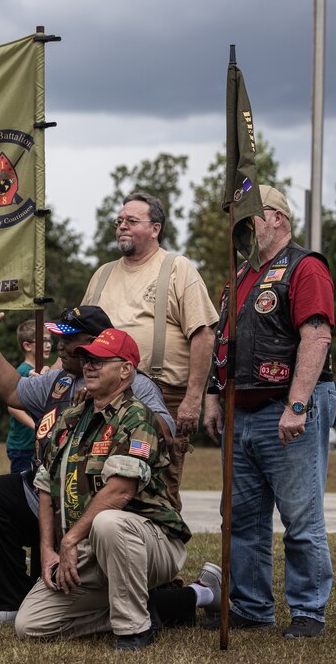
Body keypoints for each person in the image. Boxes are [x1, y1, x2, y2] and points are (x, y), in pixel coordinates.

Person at [0, 305, 185, 624]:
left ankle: (168, 604)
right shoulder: (59, 381)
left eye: (71, 339)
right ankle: (11, 600)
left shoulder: (136, 386)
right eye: (60, 337)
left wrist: (110, 400)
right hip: (59, 493)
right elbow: (12, 391)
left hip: (109, 508)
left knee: (106, 529)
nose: (61, 345)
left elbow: (164, 433)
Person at [204, 185, 336, 639]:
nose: (239, 227)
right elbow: (224, 341)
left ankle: (308, 611)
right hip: (241, 409)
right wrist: (211, 396)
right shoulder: (238, 274)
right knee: (241, 517)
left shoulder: (305, 266)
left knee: (300, 517)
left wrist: (297, 404)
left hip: (287, 406)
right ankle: (251, 606)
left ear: (276, 218)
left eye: (248, 217)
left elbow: (316, 337)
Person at [13, 328, 191, 650]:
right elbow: (44, 486)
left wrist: (69, 539)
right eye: (86, 359)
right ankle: (157, 607)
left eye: (99, 360)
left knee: (108, 523)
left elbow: (120, 492)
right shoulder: (70, 418)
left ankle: (133, 630)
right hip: (88, 547)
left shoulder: (139, 418)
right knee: (31, 625)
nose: (88, 366)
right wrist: (47, 550)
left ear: (125, 370)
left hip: (150, 543)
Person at [83, 192, 218, 509]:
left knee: (159, 486)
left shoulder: (177, 269)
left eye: (131, 221)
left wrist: (192, 399)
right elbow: (81, 336)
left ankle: (161, 554)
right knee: (98, 483)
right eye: (119, 221)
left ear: (155, 228)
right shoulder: (102, 274)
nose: (122, 227)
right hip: (104, 396)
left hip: (163, 395)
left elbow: (204, 334)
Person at [5, 319, 50, 475]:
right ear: (27, 346)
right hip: (23, 446)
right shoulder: (24, 371)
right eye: (43, 341)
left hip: (34, 443)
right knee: (23, 487)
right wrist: (36, 427)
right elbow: (13, 408)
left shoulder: (41, 370)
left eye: (49, 340)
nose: (49, 345)